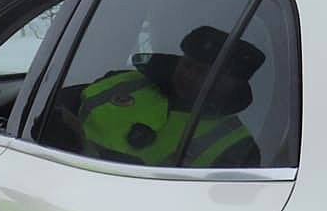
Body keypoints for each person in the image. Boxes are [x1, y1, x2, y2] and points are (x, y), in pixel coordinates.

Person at [62, 25, 264, 168]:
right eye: (186, 64)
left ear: (233, 83)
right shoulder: (123, 82)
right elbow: (56, 107)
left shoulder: (238, 145)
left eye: (202, 71)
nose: (188, 75)